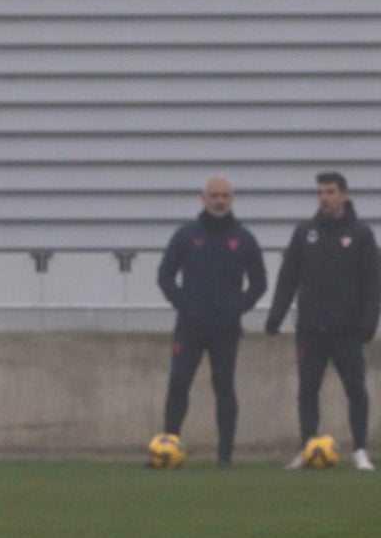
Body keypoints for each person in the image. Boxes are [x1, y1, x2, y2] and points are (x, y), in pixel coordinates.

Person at [266, 171, 380, 471]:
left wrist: (369, 323)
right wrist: (275, 316)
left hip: (347, 331)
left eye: (330, 191)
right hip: (310, 329)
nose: (324, 198)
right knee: (307, 389)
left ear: (344, 195)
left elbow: (372, 284)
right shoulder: (305, 232)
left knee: (356, 390)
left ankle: (359, 451)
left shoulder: (361, 234)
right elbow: (288, 277)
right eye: (320, 192)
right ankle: (307, 447)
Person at [156, 177, 267, 466]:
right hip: (190, 326)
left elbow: (259, 283)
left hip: (225, 329)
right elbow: (165, 276)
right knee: (179, 383)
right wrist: (184, 304)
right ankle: (168, 448)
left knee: (224, 386)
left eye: (225, 196)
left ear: (232, 199)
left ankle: (225, 456)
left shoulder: (243, 238)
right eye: (214, 195)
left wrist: (237, 308)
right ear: (203, 198)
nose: (219, 201)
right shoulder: (186, 235)